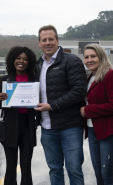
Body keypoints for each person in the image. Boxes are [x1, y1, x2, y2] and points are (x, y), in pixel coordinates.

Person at [34, 25, 87, 185]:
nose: (48, 42)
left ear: (57, 40)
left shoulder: (72, 61)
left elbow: (78, 91)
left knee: (74, 170)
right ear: (40, 43)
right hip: (47, 128)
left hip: (70, 126)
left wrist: (52, 106)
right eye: (44, 40)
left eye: (51, 39)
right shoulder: (38, 65)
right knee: (54, 169)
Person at [0, 46, 37, 185]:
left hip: (28, 127)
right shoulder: (5, 80)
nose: (21, 61)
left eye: (25, 59)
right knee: (10, 166)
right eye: (18, 58)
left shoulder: (34, 79)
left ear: (29, 61)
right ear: (12, 60)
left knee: (26, 166)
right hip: (10, 127)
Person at [80, 43, 113, 185]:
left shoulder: (109, 75)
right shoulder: (90, 78)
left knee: (107, 175)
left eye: (93, 56)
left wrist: (88, 111)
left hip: (107, 131)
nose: (89, 60)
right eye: (86, 57)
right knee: (98, 173)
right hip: (92, 130)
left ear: (101, 57)